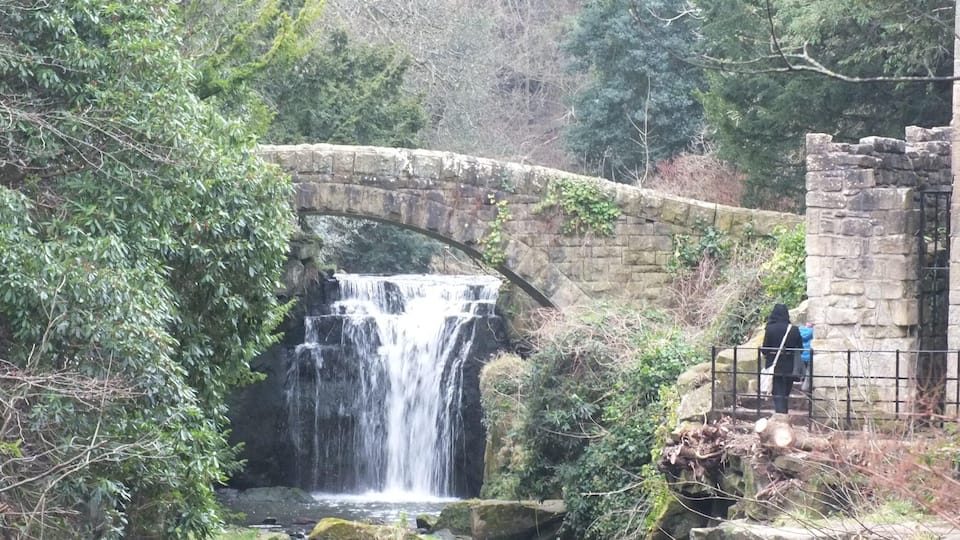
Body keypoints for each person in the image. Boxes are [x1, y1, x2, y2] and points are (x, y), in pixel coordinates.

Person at [760, 303, 804, 414]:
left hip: (774, 365)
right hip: (790, 365)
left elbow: (765, 349)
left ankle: (781, 415)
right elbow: (800, 348)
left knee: (777, 392)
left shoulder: (770, 329)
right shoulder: (793, 329)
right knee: (785, 393)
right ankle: (783, 414)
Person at [798, 322, 814, 391]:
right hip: (809, 354)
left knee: (802, 371)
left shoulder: (799, 330)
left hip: (801, 354)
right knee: (809, 371)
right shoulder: (813, 331)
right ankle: (805, 387)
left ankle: (801, 381)